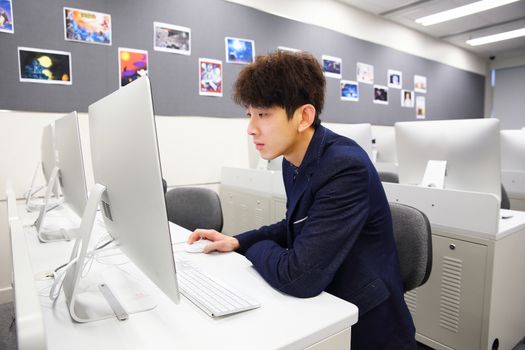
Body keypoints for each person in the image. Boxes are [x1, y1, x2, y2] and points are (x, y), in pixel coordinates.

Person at [187, 50, 416, 350]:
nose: (251, 128)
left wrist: (256, 247)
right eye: (250, 114)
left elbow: (299, 277)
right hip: (325, 306)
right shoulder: (292, 160)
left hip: (367, 327)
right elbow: (295, 224)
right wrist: (238, 242)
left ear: (304, 116)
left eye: (264, 114)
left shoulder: (346, 167)